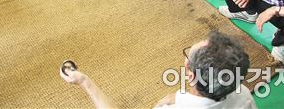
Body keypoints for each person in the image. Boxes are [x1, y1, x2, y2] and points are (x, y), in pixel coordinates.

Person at [61, 31, 256, 109]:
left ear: (190, 74)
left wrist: (84, 81)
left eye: (188, 56)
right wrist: (177, 98)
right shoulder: (244, 94)